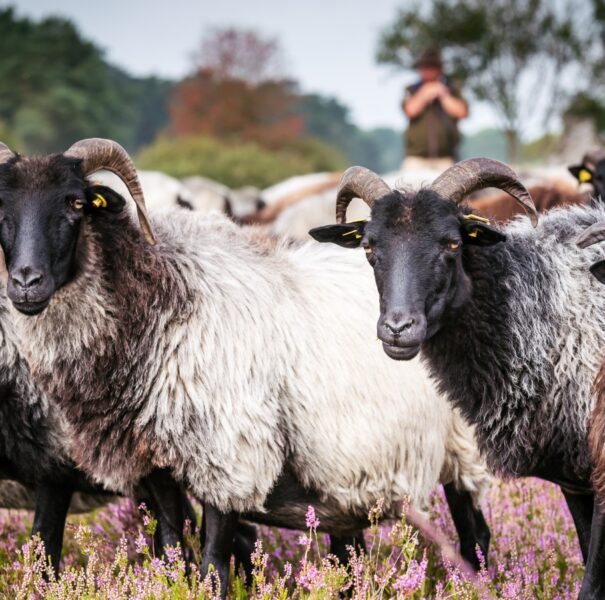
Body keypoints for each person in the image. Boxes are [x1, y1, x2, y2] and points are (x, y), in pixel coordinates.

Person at [401, 48, 468, 171]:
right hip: (416, 159)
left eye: (432, 67)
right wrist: (424, 94)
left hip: (446, 158)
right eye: (425, 67)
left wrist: (443, 94)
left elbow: (462, 112)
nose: (428, 71)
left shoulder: (452, 89)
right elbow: (410, 111)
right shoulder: (412, 89)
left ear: (440, 69)